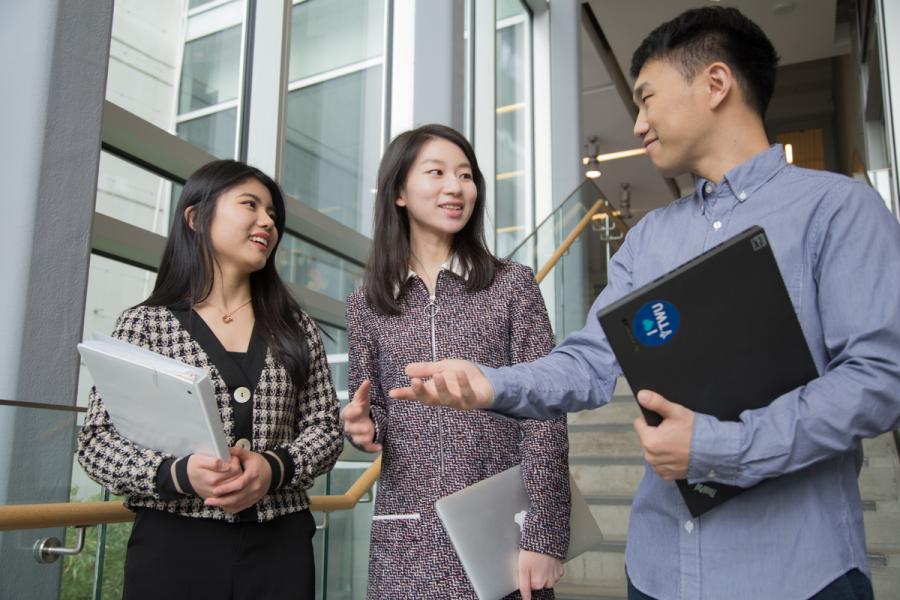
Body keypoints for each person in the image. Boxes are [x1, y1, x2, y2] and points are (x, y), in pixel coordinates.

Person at [391, 7, 900, 600]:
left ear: (715, 84)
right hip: (656, 571)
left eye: (647, 98)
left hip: (797, 574)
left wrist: (720, 448)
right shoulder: (649, 238)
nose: (637, 124)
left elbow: (878, 381)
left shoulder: (839, 211)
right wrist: (490, 384)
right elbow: (589, 363)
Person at [77, 160, 343, 599]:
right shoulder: (145, 326)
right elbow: (98, 442)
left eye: (273, 215)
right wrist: (178, 474)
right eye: (250, 205)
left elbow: (326, 431)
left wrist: (274, 468)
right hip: (173, 547)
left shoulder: (296, 328)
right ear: (196, 217)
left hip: (279, 547)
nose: (267, 222)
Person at [339, 124, 570, 599]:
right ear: (399, 191)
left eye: (465, 176)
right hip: (407, 535)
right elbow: (376, 408)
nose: (456, 187)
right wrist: (364, 428)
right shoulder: (366, 302)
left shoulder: (513, 286)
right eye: (437, 172)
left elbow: (546, 411)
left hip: (502, 528)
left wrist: (545, 533)